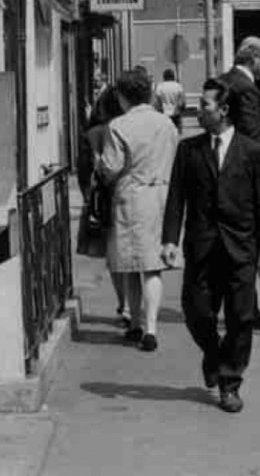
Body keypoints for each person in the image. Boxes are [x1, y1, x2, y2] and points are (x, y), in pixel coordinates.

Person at [162, 77, 260, 413]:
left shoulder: (251, 152)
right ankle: (214, 355)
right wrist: (170, 239)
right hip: (201, 247)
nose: (198, 111)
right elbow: (175, 198)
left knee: (241, 318)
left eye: (205, 105)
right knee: (196, 311)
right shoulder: (189, 149)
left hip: (241, 248)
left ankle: (229, 383)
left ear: (223, 110)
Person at [98, 70, 180, 352]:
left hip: (132, 197)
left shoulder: (118, 125)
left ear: (122, 96)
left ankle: (135, 323)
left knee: (129, 264)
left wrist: (99, 163)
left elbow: (111, 168)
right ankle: (152, 327)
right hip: (163, 196)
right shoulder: (167, 124)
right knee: (152, 265)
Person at [220, 36, 260, 332]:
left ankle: (247, 307)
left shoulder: (229, 81)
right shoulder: (244, 89)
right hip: (248, 179)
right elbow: (252, 138)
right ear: (252, 58)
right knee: (249, 244)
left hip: (231, 177)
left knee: (240, 245)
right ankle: (245, 312)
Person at [77, 85, 130, 326]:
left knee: (115, 256)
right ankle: (134, 305)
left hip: (105, 201)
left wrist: (89, 198)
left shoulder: (93, 134)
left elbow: (83, 172)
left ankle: (124, 304)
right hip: (132, 196)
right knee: (134, 254)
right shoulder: (129, 130)